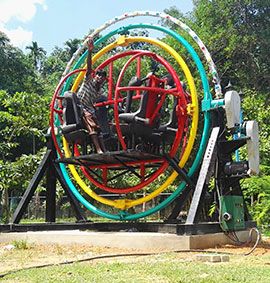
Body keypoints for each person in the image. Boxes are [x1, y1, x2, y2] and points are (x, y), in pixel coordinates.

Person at [77, 37, 107, 154]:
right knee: (91, 122)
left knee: (100, 125)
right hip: (80, 106)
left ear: (104, 79)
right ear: (95, 76)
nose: (99, 77)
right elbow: (89, 67)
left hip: (89, 108)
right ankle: (98, 149)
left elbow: (106, 100)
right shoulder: (89, 80)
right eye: (98, 75)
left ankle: (103, 149)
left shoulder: (99, 91)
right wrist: (89, 51)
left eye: (102, 76)